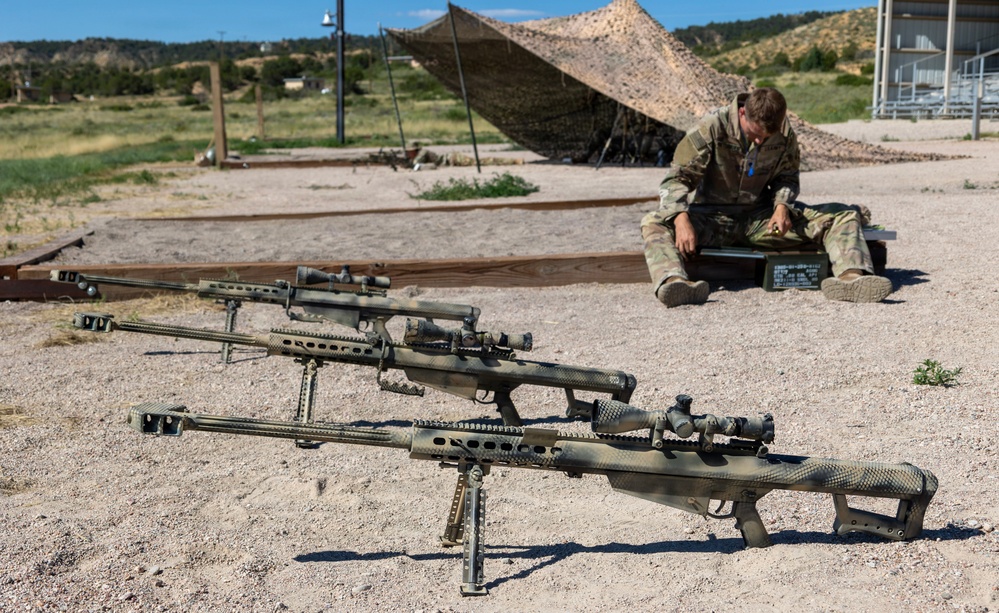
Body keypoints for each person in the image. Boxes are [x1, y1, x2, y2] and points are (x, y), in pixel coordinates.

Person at [640, 87, 892, 307]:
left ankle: (851, 277)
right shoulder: (710, 128)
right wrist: (681, 218)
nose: (759, 141)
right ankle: (674, 282)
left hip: (761, 220)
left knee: (842, 215)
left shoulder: (783, 133)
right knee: (654, 221)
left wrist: (782, 206)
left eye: (766, 138)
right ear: (742, 114)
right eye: (754, 135)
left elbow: (788, 177)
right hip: (712, 220)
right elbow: (676, 179)